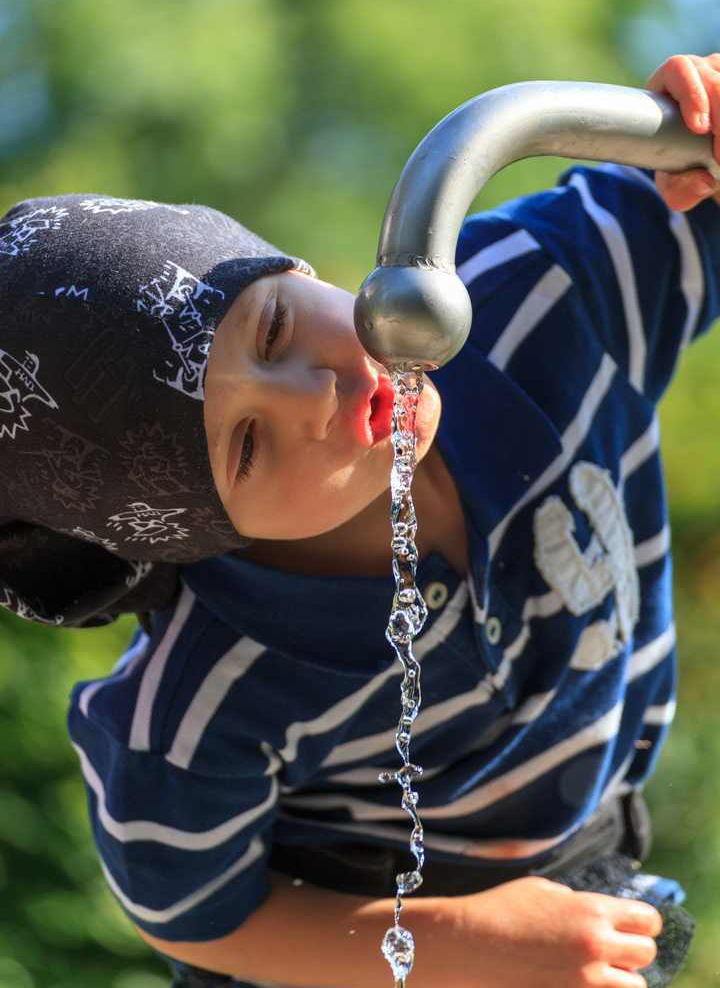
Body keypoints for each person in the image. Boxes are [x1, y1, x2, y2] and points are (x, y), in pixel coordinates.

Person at [1, 53, 719, 988]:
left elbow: (687, 200)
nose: (316, 391)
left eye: (272, 327)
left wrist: (697, 121)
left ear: (289, 265)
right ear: (197, 528)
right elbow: (197, 918)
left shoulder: (543, 297)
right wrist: (464, 946)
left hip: (582, 869)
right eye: (247, 446)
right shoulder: (197, 700)